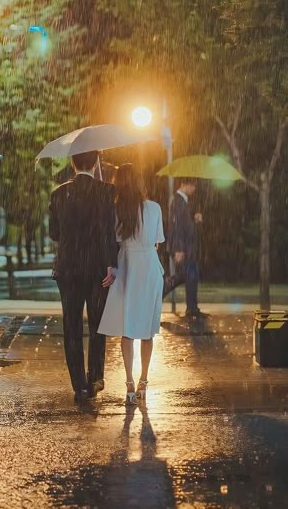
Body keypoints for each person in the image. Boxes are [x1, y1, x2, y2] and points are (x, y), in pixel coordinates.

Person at [49, 150, 117, 403]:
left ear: (72, 163)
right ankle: (95, 377)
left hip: (68, 269)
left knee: (72, 325)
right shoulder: (107, 192)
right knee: (98, 324)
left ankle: (78, 384)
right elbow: (110, 231)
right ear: (96, 162)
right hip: (98, 268)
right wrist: (111, 263)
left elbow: (54, 233)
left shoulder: (59, 194)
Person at [99, 164, 165, 405]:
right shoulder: (154, 208)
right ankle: (143, 382)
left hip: (127, 266)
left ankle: (128, 383)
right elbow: (157, 242)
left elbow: (115, 240)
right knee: (147, 329)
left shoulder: (116, 210)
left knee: (128, 328)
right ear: (138, 181)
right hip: (149, 268)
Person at [163, 178, 206, 319]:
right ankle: (191, 308)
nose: (194, 188)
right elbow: (176, 228)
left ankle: (191, 308)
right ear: (183, 184)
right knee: (189, 275)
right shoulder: (178, 201)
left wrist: (195, 220)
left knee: (187, 275)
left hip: (187, 247)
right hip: (183, 247)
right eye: (192, 185)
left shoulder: (183, 201)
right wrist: (178, 249)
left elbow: (185, 226)